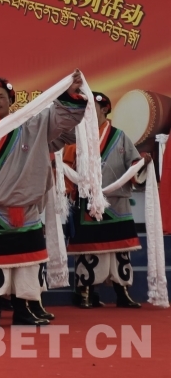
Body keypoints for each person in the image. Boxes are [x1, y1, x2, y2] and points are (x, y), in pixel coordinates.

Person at [0, 73, 86, 326]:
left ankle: (24, 311)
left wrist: (71, 92)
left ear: (11, 100)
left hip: (26, 209)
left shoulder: (31, 125)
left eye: (1, 97)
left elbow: (62, 118)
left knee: (27, 263)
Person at [63, 92, 150, 308]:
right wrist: (68, 191)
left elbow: (134, 164)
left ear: (105, 109)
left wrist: (142, 163)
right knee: (88, 250)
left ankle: (122, 292)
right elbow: (65, 168)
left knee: (120, 251)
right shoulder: (75, 137)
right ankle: (85, 292)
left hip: (117, 203)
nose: (88, 112)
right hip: (87, 203)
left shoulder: (120, 136)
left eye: (93, 107)